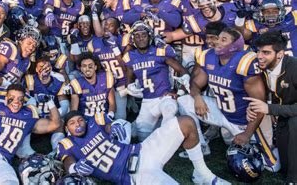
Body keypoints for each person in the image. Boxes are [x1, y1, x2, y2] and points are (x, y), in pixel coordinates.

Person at [177, 27, 279, 171]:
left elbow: (259, 103)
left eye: (223, 40)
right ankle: (200, 145)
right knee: (185, 101)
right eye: (218, 38)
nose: (217, 42)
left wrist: (247, 133)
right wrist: (198, 96)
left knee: (272, 166)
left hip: (247, 119)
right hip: (223, 112)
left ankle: (273, 139)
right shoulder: (209, 56)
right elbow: (195, 83)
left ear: (235, 45)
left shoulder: (245, 62)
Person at [57, 111, 229, 184]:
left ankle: (202, 173)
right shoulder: (67, 144)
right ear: (67, 129)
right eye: (72, 123)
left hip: (142, 150)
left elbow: (109, 127)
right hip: (133, 176)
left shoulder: (95, 122)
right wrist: (74, 168)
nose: (77, 124)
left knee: (186, 122)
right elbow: (68, 162)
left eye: (80, 120)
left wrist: (115, 125)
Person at [123, 21, 189, 140]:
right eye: (137, 36)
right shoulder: (129, 57)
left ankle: (168, 141)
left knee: (169, 110)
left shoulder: (160, 51)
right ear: (133, 39)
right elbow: (129, 80)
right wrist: (130, 88)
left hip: (164, 96)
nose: (141, 39)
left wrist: (179, 92)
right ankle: (157, 127)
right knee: (141, 136)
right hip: (147, 101)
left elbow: (183, 71)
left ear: (149, 36)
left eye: (144, 35)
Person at [247, 31, 297, 183]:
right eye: (258, 51)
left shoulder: (294, 68)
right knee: (284, 165)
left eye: (266, 52)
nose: (259, 56)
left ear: (280, 54)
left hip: (292, 117)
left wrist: (269, 109)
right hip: (283, 115)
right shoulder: (261, 66)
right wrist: (254, 106)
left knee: (294, 124)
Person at [70, 53, 116, 118]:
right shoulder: (76, 84)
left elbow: (112, 104)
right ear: (80, 68)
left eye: (90, 66)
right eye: (84, 66)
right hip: (86, 120)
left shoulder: (106, 78)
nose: (87, 69)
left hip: (105, 117)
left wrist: (110, 115)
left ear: (95, 67)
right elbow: (74, 111)